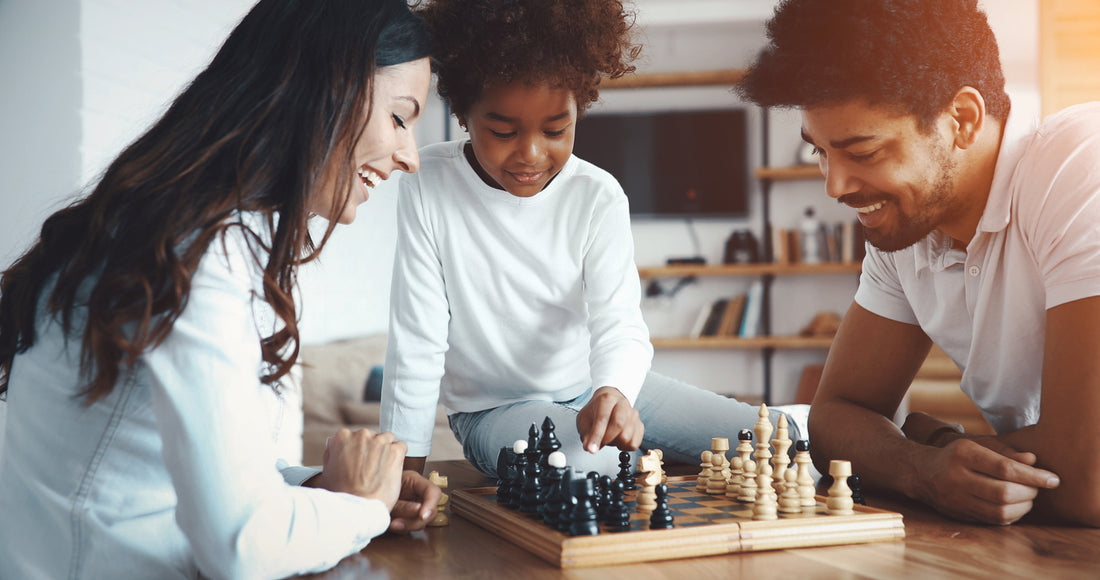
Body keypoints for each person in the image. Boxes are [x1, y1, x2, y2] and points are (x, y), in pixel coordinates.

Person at [0, 1, 442, 578]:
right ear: (324, 86)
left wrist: (328, 485)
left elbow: (199, 479)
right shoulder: (195, 255)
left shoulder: (199, 232)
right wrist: (360, 506)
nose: (410, 156)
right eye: (401, 118)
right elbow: (240, 545)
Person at [381, 0, 809, 479]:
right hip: (493, 411)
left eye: (556, 128)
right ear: (463, 114)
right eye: (502, 130)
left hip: (596, 386)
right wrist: (403, 470)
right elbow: (417, 341)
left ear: (579, 110)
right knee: (593, 465)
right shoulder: (428, 184)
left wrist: (615, 390)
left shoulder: (597, 195)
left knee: (781, 441)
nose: (531, 153)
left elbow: (619, 323)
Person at [738, 0, 1100, 527]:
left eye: (862, 153)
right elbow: (834, 419)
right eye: (820, 151)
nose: (834, 185)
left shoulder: (1078, 162)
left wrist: (940, 438)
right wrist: (921, 466)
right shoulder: (904, 231)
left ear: (963, 119)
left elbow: (1087, 478)